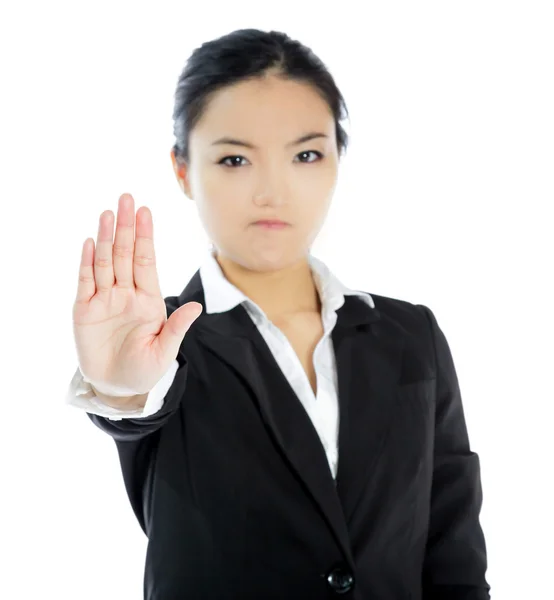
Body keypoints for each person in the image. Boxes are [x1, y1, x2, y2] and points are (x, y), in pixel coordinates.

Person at [66, 28, 491, 600]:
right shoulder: (158, 344)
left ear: (338, 159)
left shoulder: (411, 336)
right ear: (183, 170)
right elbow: (141, 404)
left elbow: (454, 551)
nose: (273, 190)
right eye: (235, 158)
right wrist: (120, 392)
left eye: (306, 154)